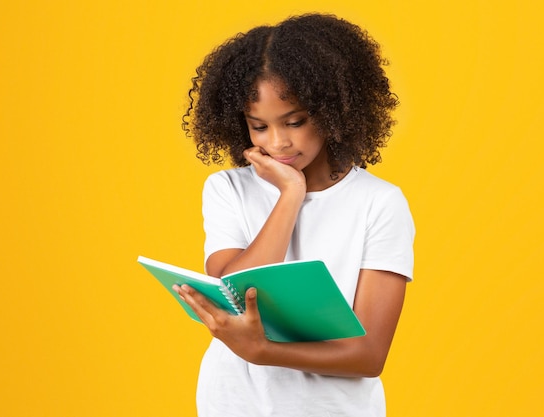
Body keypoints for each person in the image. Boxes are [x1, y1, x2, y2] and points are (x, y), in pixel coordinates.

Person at [174, 13, 415, 417]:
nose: (278, 142)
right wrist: (291, 194)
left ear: (335, 110)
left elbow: (369, 354)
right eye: (259, 126)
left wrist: (263, 351)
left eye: (295, 121)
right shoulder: (228, 188)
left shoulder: (379, 203)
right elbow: (232, 291)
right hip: (232, 404)